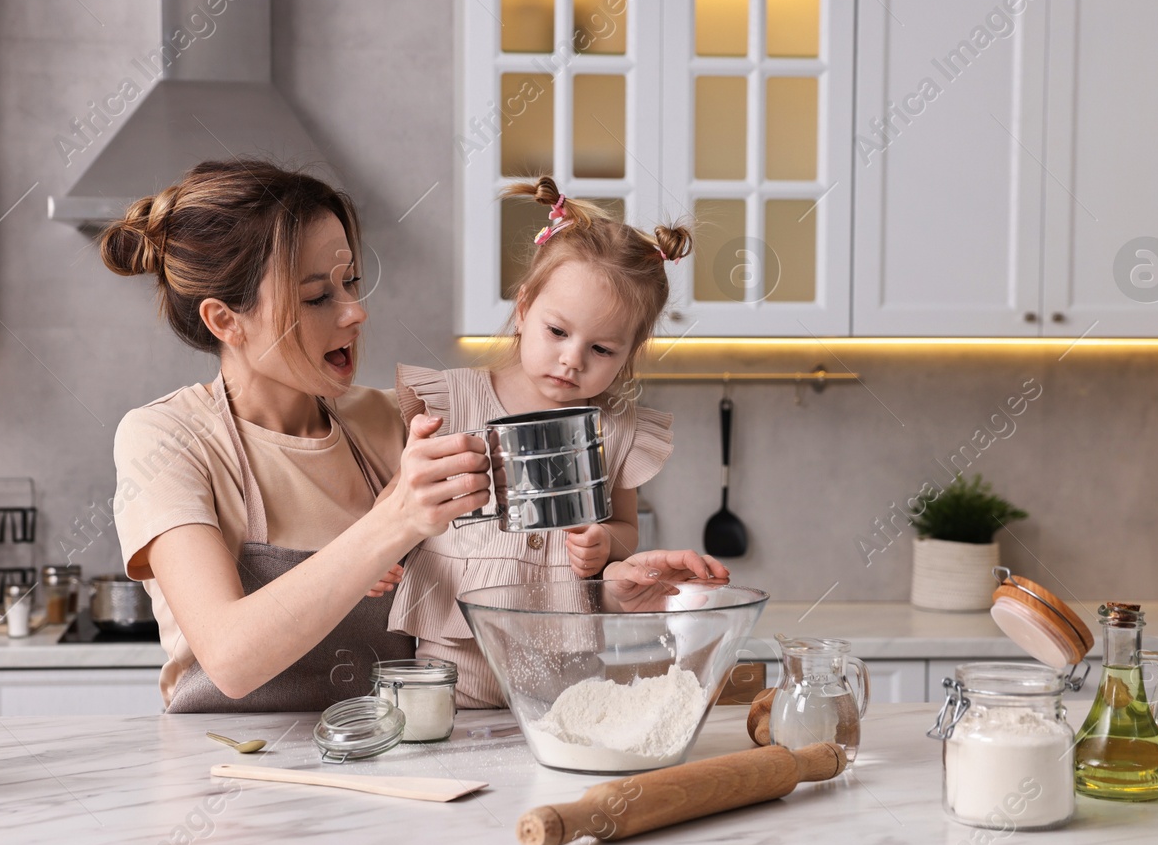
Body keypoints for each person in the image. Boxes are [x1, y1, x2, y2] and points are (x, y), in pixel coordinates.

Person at [102, 159, 491, 711]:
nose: (355, 312)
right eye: (315, 297)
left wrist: (611, 576)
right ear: (226, 321)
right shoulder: (169, 437)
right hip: (230, 768)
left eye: (350, 281)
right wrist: (395, 518)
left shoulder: (393, 421)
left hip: (388, 757)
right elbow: (231, 657)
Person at [387, 176, 730, 707]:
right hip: (453, 665)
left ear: (629, 353)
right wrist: (383, 554)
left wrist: (604, 544)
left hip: (564, 675)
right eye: (557, 332)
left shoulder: (615, 431)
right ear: (524, 309)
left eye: (602, 348)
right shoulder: (452, 402)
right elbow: (399, 502)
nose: (573, 359)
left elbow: (623, 530)